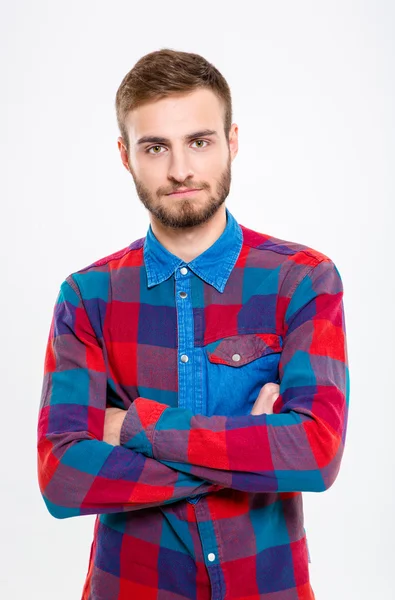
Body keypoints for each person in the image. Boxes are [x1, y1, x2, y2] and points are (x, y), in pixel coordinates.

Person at [37, 48, 350, 600]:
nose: (180, 169)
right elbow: (63, 478)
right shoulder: (87, 297)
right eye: (155, 147)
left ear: (232, 141)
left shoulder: (302, 281)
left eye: (199, 142)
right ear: (125, 156)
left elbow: (316, 453)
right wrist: (254, 454)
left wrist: (133, 429)